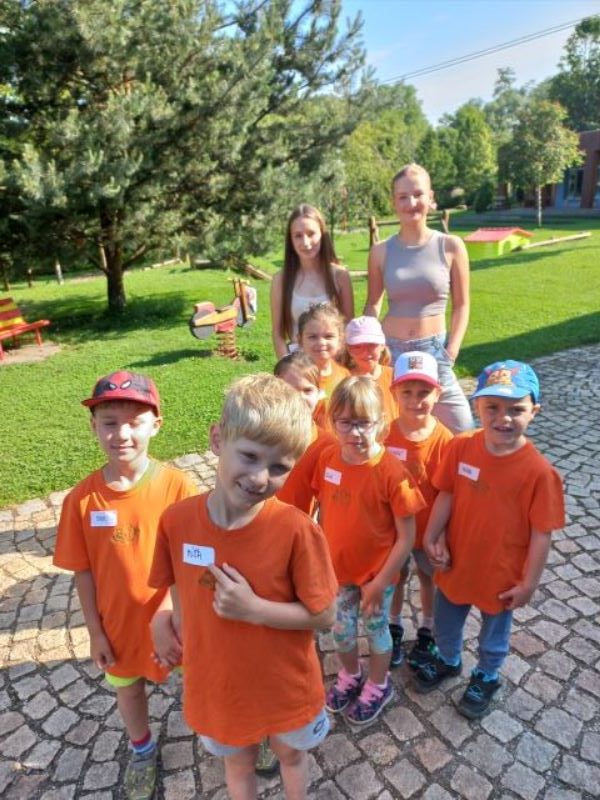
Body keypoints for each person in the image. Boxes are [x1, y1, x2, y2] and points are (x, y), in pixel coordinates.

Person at [150, 374, 337, 800]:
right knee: (237, 764)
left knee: (290, 755)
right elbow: (172, 582)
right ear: (218, 439)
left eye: (279, 467)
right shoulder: (176, 521)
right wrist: (164, 617)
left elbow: (325, 614)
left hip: (284, 685)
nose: (259, 478)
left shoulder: (296, 530)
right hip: (220, 685)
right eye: (250, 456)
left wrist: (255, 609)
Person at [53, 371, 196, 800]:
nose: (122, 434)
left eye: (134, 422)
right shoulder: (81, 500)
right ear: (93, 427)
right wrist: (96, 633)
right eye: (110, 422)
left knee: (203, 679)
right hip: (119, 627)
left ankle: (233, 728)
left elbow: (192, 562)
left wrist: (180, 619)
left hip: (178, 623)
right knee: (129, 691)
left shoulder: (178, 487)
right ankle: (142, 749)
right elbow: (83, 571)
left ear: (156, 424)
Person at [414, 360, 565, 719]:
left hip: (501, 574)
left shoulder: (539, 473)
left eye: (516, 409)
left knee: (494, 634)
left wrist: (528, 584)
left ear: (534, 411)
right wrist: (432, 535)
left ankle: (487, 674)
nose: (503, 418)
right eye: (492, 407)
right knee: (446, 622)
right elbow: (447, 493)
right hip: (456, 562)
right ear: (476, 406)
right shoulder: (462, 447)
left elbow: (541, 533)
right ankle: (448, 658)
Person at [311, 376, 425, 725]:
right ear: (332, 421)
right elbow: (324, 510)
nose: (355, 433)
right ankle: (350, 675)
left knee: (376, 631)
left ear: (381, 423)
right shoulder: (328, 459)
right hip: (338, 573)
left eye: (364, 423)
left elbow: (406, 537)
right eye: (345, 423)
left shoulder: (391, 472)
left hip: (378, 576)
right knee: (340, 630)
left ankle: (378, 684)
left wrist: (380, 582)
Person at [364, 163, 473, 434]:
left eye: (418, 194)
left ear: (431, 197)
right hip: (391, 353)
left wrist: (452, 350)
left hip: (435, 352)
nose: (411, 203)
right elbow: (373, 303)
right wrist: (369, 344)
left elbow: (462, 305)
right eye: (403, 197)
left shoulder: (451, 246)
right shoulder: (380, 251)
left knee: (463, 429)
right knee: (386, 431)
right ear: (394, 202)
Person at [384, 352, 454, 669]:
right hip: (394, 532)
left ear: (438, 393)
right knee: (396, 579)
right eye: (407, 392)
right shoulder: (385, 434)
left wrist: (441, 535)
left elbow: (449, 492)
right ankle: (394, 625)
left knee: (429, 579)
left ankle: (428, 628)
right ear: (394, 393)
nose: (415, 400)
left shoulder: (445, 440)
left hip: (428, 531)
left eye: (424, 392)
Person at [271, 203, 354, 357]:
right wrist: (287, 365)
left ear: (322, 234)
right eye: (298, 235)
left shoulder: (340, 276)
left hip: (333, 361)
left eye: (311, 234)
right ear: (290, 240)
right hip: (297, 362)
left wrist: (336, 364)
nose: (306, 242)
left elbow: (348, 327)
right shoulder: (280, 280)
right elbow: (277, 333)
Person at [274, 351, 335, 515]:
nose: (299, 398)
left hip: (295, 527)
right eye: (289, 390)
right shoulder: (257, 434)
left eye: (307, 390)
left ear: (318, 393)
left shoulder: (327, 446)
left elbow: (329, 506)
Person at [343, 315, 397, 427]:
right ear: (348, 349)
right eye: (357, 346)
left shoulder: (395, 376)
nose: (365, 352)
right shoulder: (343, 378)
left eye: (372, 345)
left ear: (382, 346)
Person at [297, 302, 349, 404]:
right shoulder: (292, 376)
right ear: (300, 341)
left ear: (340, 340)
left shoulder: (344, 376)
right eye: (312, 337)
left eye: (328, 336)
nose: (321, 342)